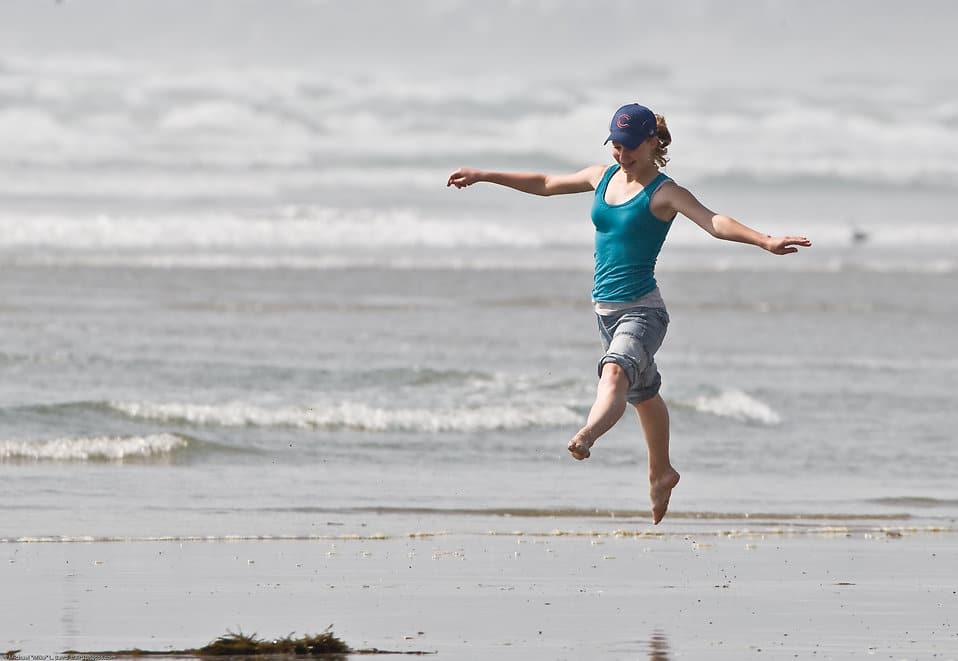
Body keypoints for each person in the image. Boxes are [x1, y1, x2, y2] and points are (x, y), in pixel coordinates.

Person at [446, 103, 811, 524]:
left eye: (630, 147)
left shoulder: (664, 193)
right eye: (616, 146)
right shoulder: (602, 177)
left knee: (614, 374)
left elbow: (714, 221)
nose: (622, 155)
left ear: (653, 143)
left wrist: (764, 240)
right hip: (605, 313)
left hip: (643, 311)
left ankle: (587, 435)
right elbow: (545, 182)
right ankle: (661, 472)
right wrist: (484, 174)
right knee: (644, 394)